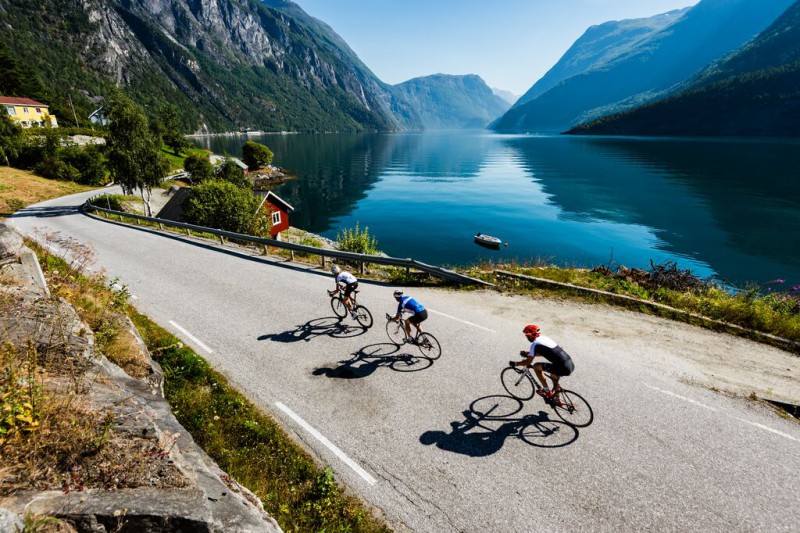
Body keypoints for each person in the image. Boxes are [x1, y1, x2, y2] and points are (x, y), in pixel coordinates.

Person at [510, 324, 574, 399]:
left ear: (530, 335)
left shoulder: (534, 345)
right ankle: (557, 399)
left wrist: (516, 363)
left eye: (527, 335)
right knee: (554, 376)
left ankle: (546, 391)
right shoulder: (544, 338)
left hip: (562, 367)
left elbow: (527, 362)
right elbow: (545, 352)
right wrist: (528, 352)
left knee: (536, 366)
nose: (526, 337)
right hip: (569, 363)